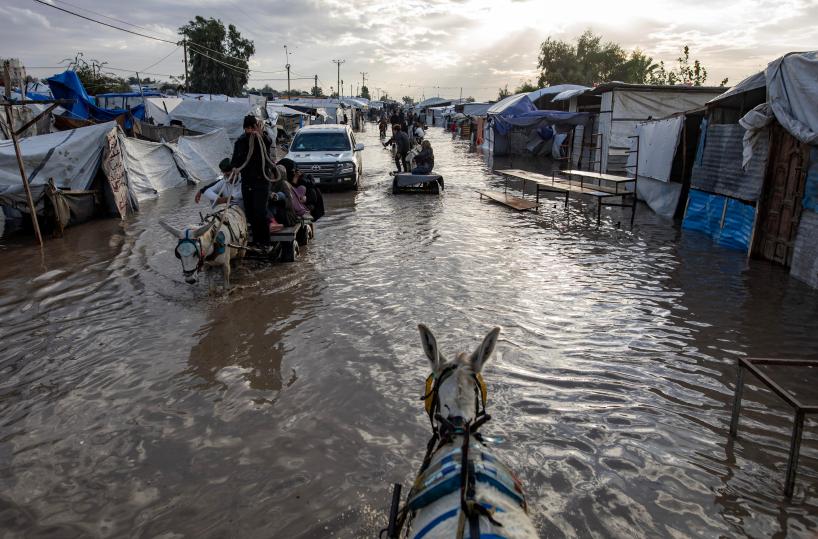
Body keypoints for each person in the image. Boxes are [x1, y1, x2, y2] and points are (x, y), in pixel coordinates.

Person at [231, 114, 274, 247]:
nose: (250, 131)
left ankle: (265, 241)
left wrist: (260, 134)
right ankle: (256, 240)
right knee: (250, 212)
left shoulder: (263, 138)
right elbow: (235, 161)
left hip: (261, 181)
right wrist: (234, 169)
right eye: (247, 128)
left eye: (252, 127)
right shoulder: (240, 142)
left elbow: (269, 142)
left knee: (260, 211)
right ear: (244, 128)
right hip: (247, 182)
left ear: (255, 127)